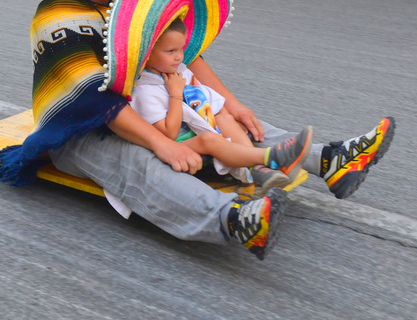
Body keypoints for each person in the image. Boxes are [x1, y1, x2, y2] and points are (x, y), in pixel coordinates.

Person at [0, 0, 395, 260]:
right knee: (139, 162)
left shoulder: (128, 0)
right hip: (78, 129)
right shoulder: (57, 17)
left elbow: (179, 54)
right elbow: (90, 99)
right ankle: (233, 221)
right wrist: (161, 142)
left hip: (142, 104)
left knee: (218, 115)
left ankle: (329, 160)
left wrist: (229, 103)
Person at [131, 17, 313, 196]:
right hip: (176, 147)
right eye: (170, 51)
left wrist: (229, 122)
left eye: (181, 49)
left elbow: (208, 100)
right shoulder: (145, 91)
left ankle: (258, 169)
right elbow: (169, 134)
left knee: (224, 117)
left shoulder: (180, 72)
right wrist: (175, 95)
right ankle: (272, 157)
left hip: (198, 130)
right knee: (208, 139)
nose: (178, 56)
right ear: (147, 52)